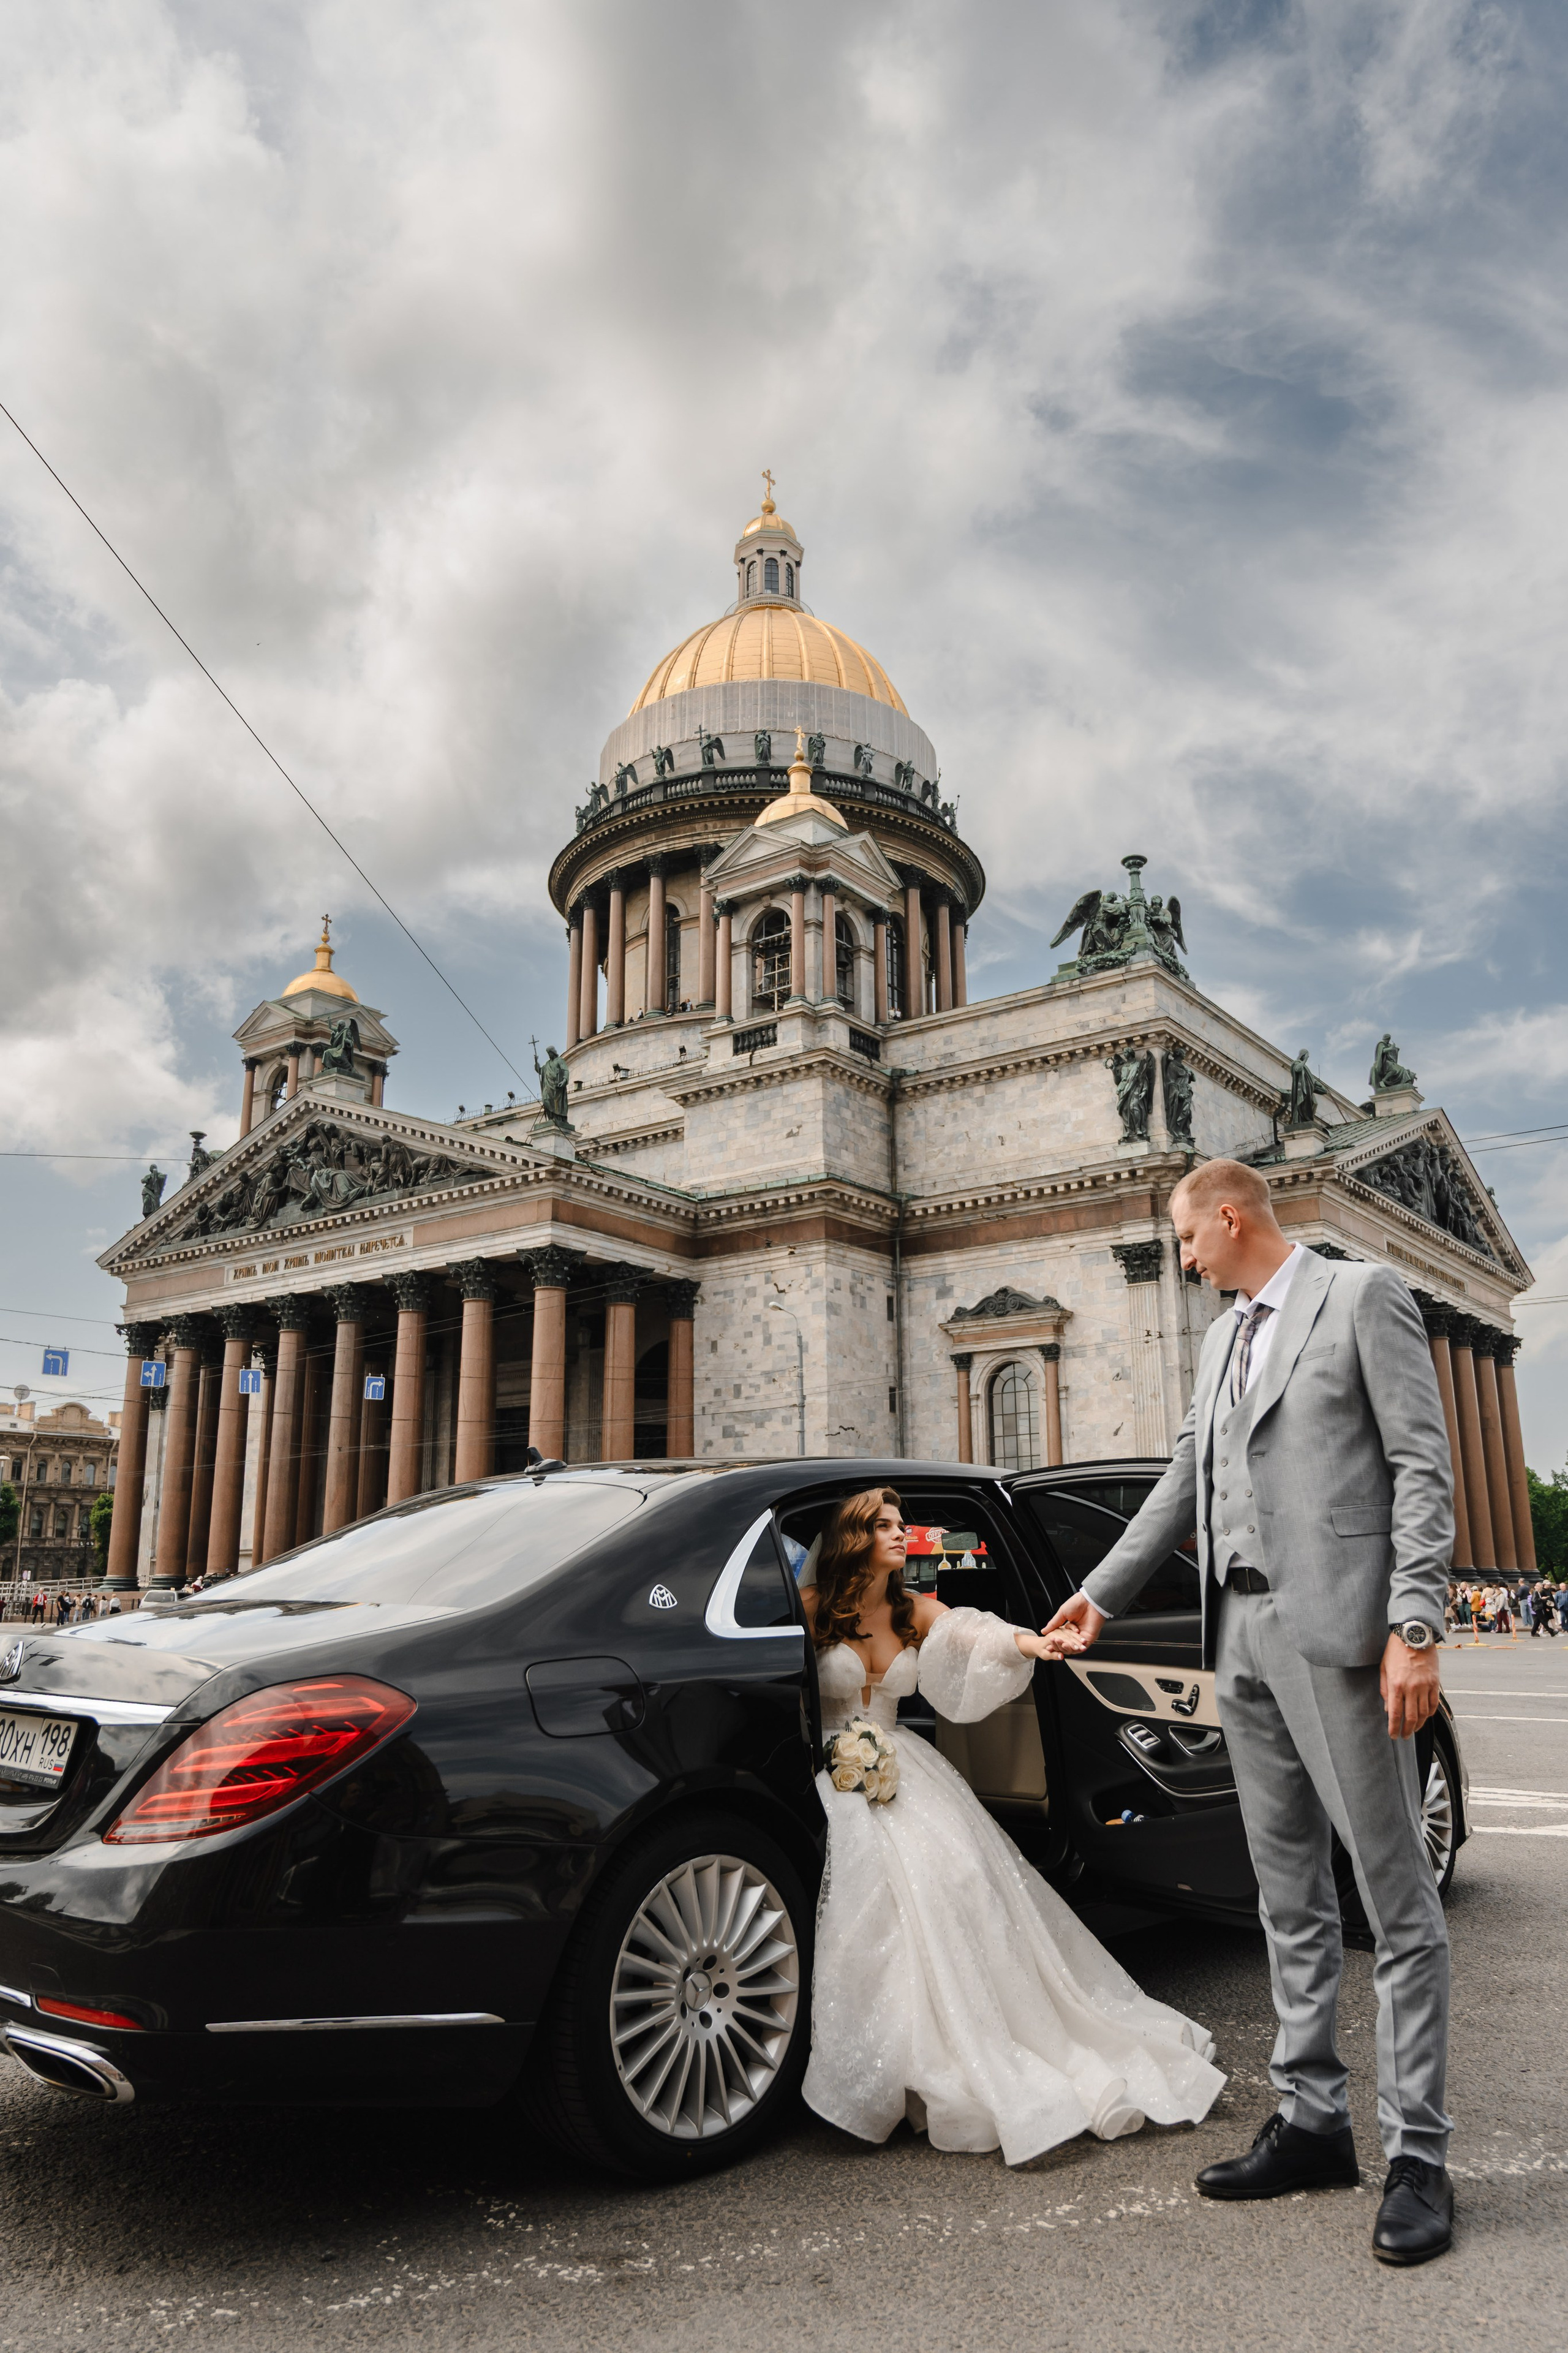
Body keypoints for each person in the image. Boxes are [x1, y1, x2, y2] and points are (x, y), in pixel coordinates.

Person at [1046, 1159, 1455, 2266]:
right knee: (1287, 1896)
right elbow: (1184, 1478)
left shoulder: (1360, 1297)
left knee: (1394, 1901)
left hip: (1345, 1639)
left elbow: (1423, 1465)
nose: (1181, 1259)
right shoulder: (1225, 1337)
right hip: (1242, 1642)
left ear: (1229, 1218)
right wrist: (1101, 1593)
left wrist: (1415, 1628)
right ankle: (1313, 2120)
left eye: (1185, 1238)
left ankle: (1419, 2154)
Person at [800, 1486, 1224, 2167]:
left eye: (902, 1523)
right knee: (876, 1887)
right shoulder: (813, 1608)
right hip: (823, 1767)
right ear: (852, 1536)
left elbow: (976, 1632)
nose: (901, 1532)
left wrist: (1037, 1641)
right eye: (883, 1525)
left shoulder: (911, 1607)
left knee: (959, 1876)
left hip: (902, 1764)